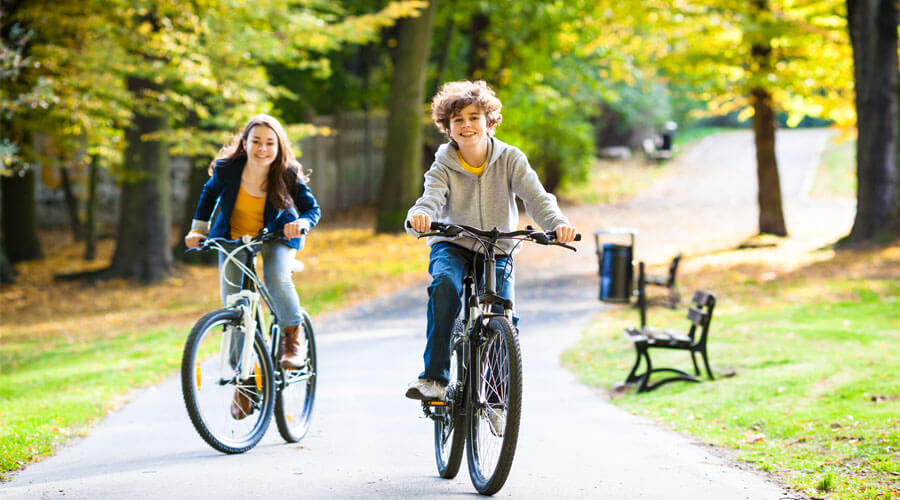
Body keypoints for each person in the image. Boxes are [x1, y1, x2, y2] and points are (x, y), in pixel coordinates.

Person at [404, 80, 577, 402]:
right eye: (458, 120)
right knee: (444, 287)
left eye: (473, 117)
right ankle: (434, 378)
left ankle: (497, 398)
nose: (466, 125)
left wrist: (558, 224)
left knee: (501, 312)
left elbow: (537, 198)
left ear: (490, 121)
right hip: (453, 243)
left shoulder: (511, 158)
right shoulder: (443, 163)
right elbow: (430, 198)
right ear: (448, 128)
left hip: (498, 246)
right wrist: (420, 217)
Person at [185, 114, 321, 419]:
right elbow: (208, 195)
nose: (263, 148)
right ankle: (245, 381)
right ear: (244, 144)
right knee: (234, 305)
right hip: (234, 238)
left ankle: (292, 339)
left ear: (279, 146)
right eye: (256, 141)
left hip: (277, 236)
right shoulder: (228, 169)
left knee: (276, 277)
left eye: (270, 143)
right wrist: (198, 230)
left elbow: (312, 209)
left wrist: (301, 223)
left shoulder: (287, 172)